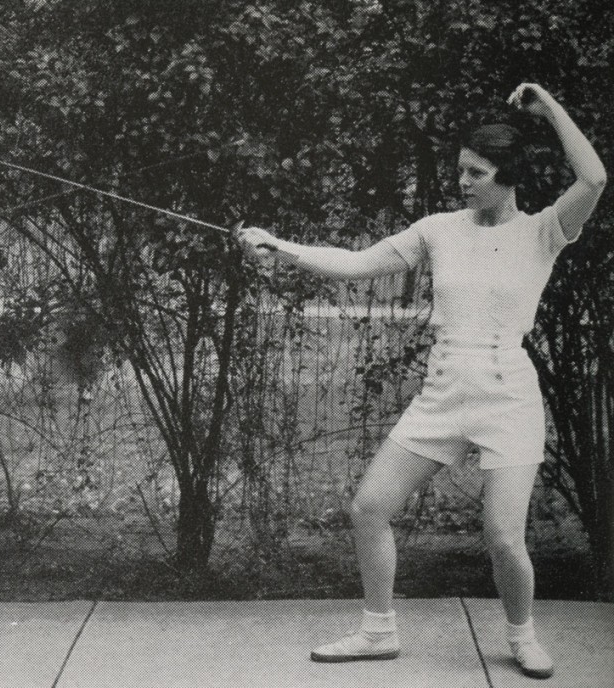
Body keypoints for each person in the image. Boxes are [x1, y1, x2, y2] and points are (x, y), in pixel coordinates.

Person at [238, 83, 605, 680]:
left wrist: (550, 107)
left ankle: (523, 635)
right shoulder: (438, 228)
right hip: (443, 390)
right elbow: (356, 264)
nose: (462, 182)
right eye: (460, 170)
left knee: (505, 538)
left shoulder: (544, 231)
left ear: (507, 176)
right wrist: (280, 248)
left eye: (476, 172)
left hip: (507, 391)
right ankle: (377, 630)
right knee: (369, 508)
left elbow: (593, 180)